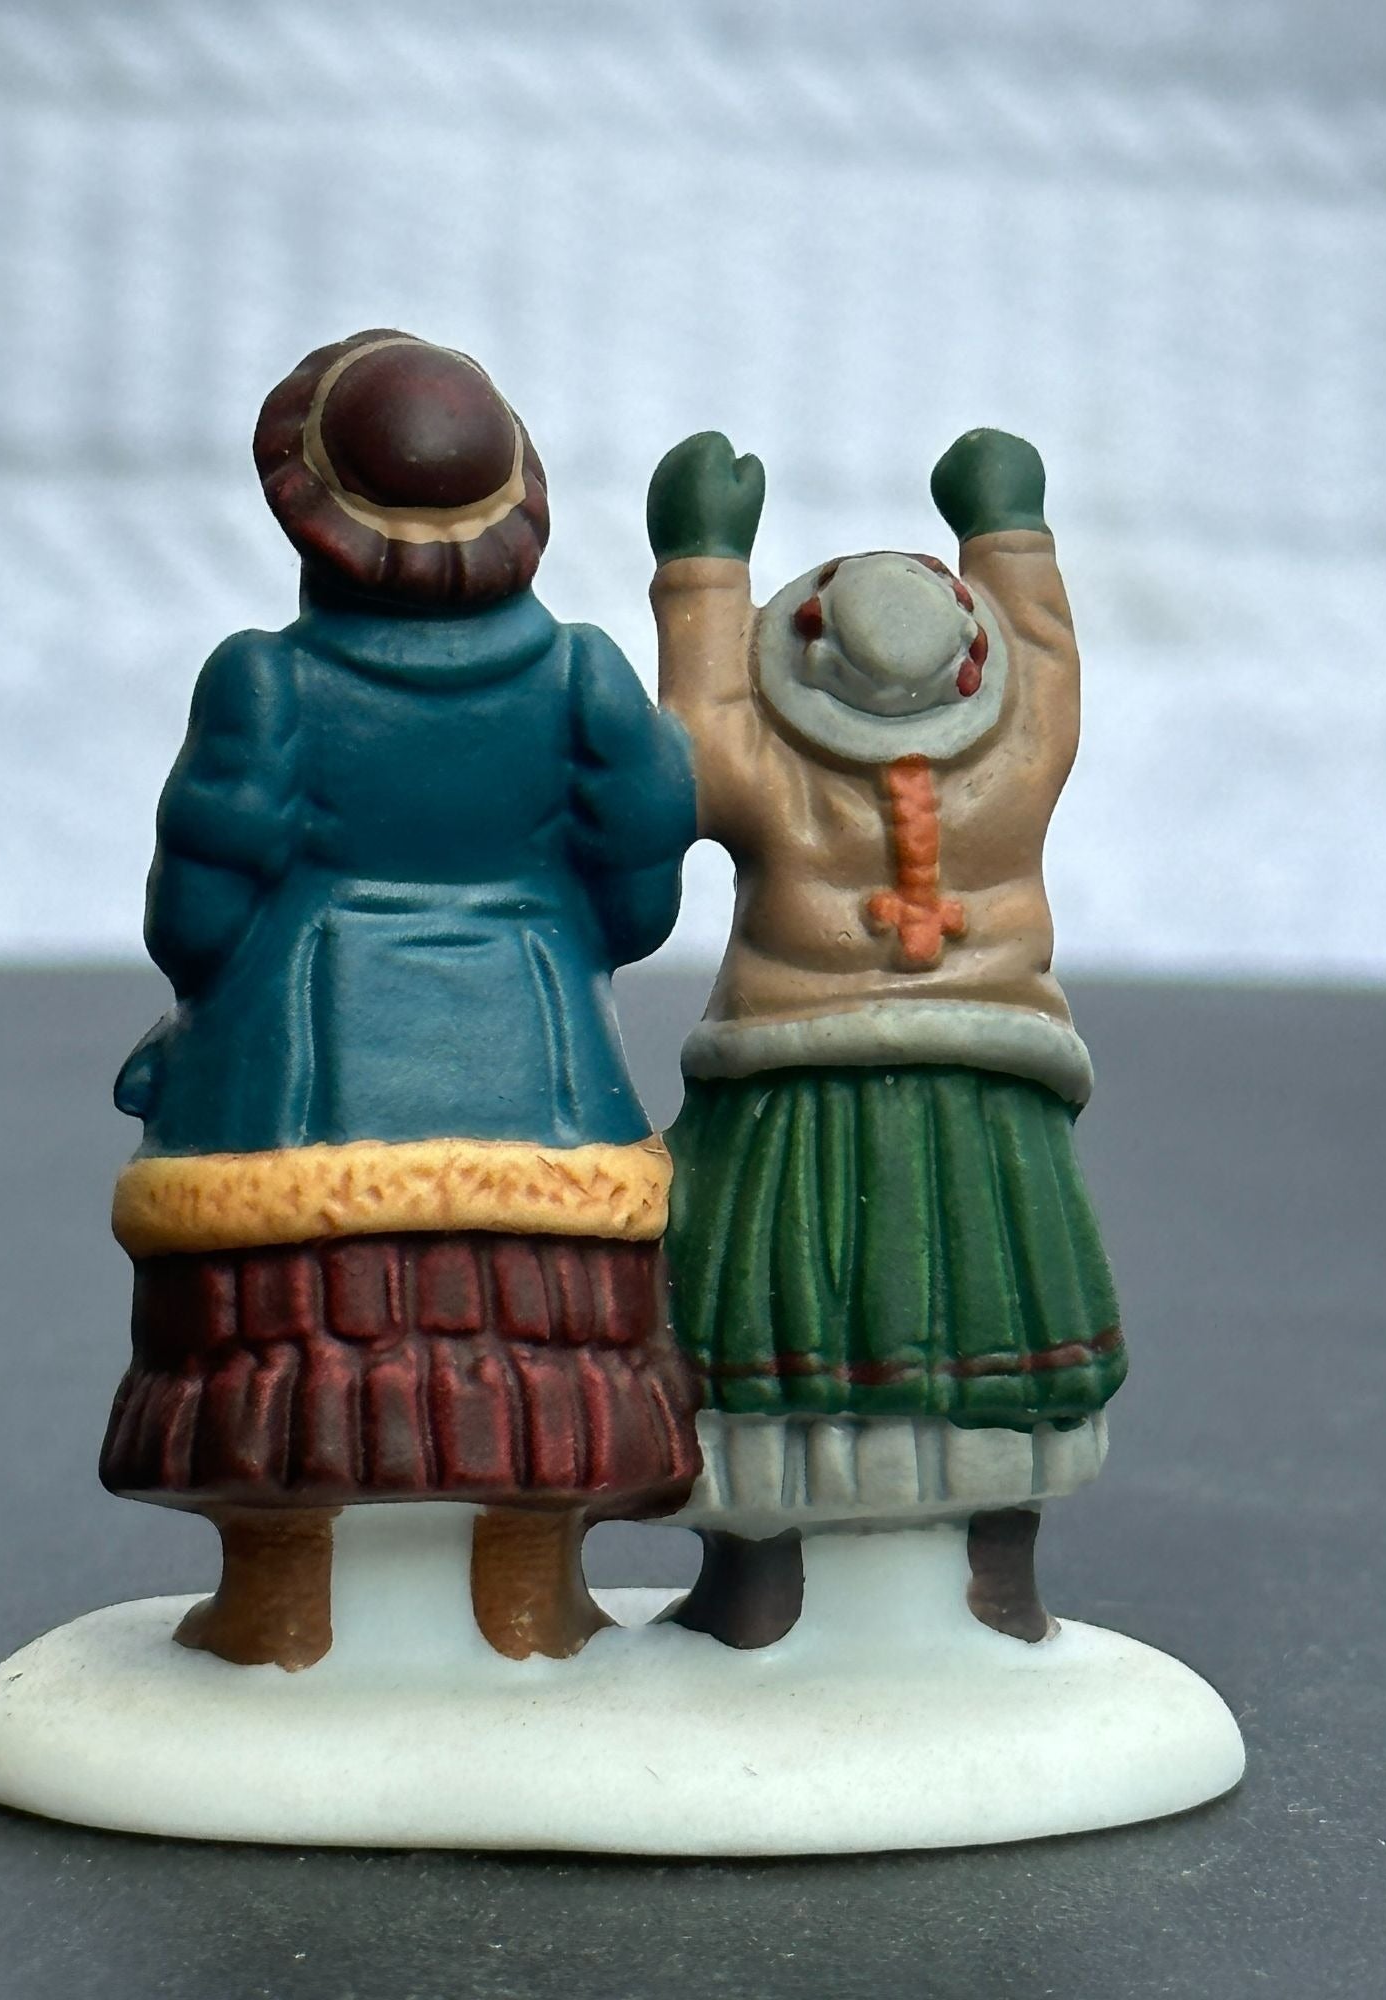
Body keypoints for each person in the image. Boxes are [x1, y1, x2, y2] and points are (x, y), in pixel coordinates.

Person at [100, 331, 700, 1668]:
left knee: (287, 1353)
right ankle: (529, 1604)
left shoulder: (265, 680)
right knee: (538, 1345)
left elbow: (198, 908)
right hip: (542, 1065)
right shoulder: (586, 674)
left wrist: (196, 1008)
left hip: (297, 1074)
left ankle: (280, 1610)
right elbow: (638, 900)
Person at [649, 427, 1125, 1646]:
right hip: (938, 1082)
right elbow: (1049, 660)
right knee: (880, 1320)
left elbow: (695, 729)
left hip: (826, 1087)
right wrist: (1005, 527)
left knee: (827, 1317)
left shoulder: (766, 764)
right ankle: (839, 1575)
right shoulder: (1018, 752)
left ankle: (864, 1577)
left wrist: (701, 562)